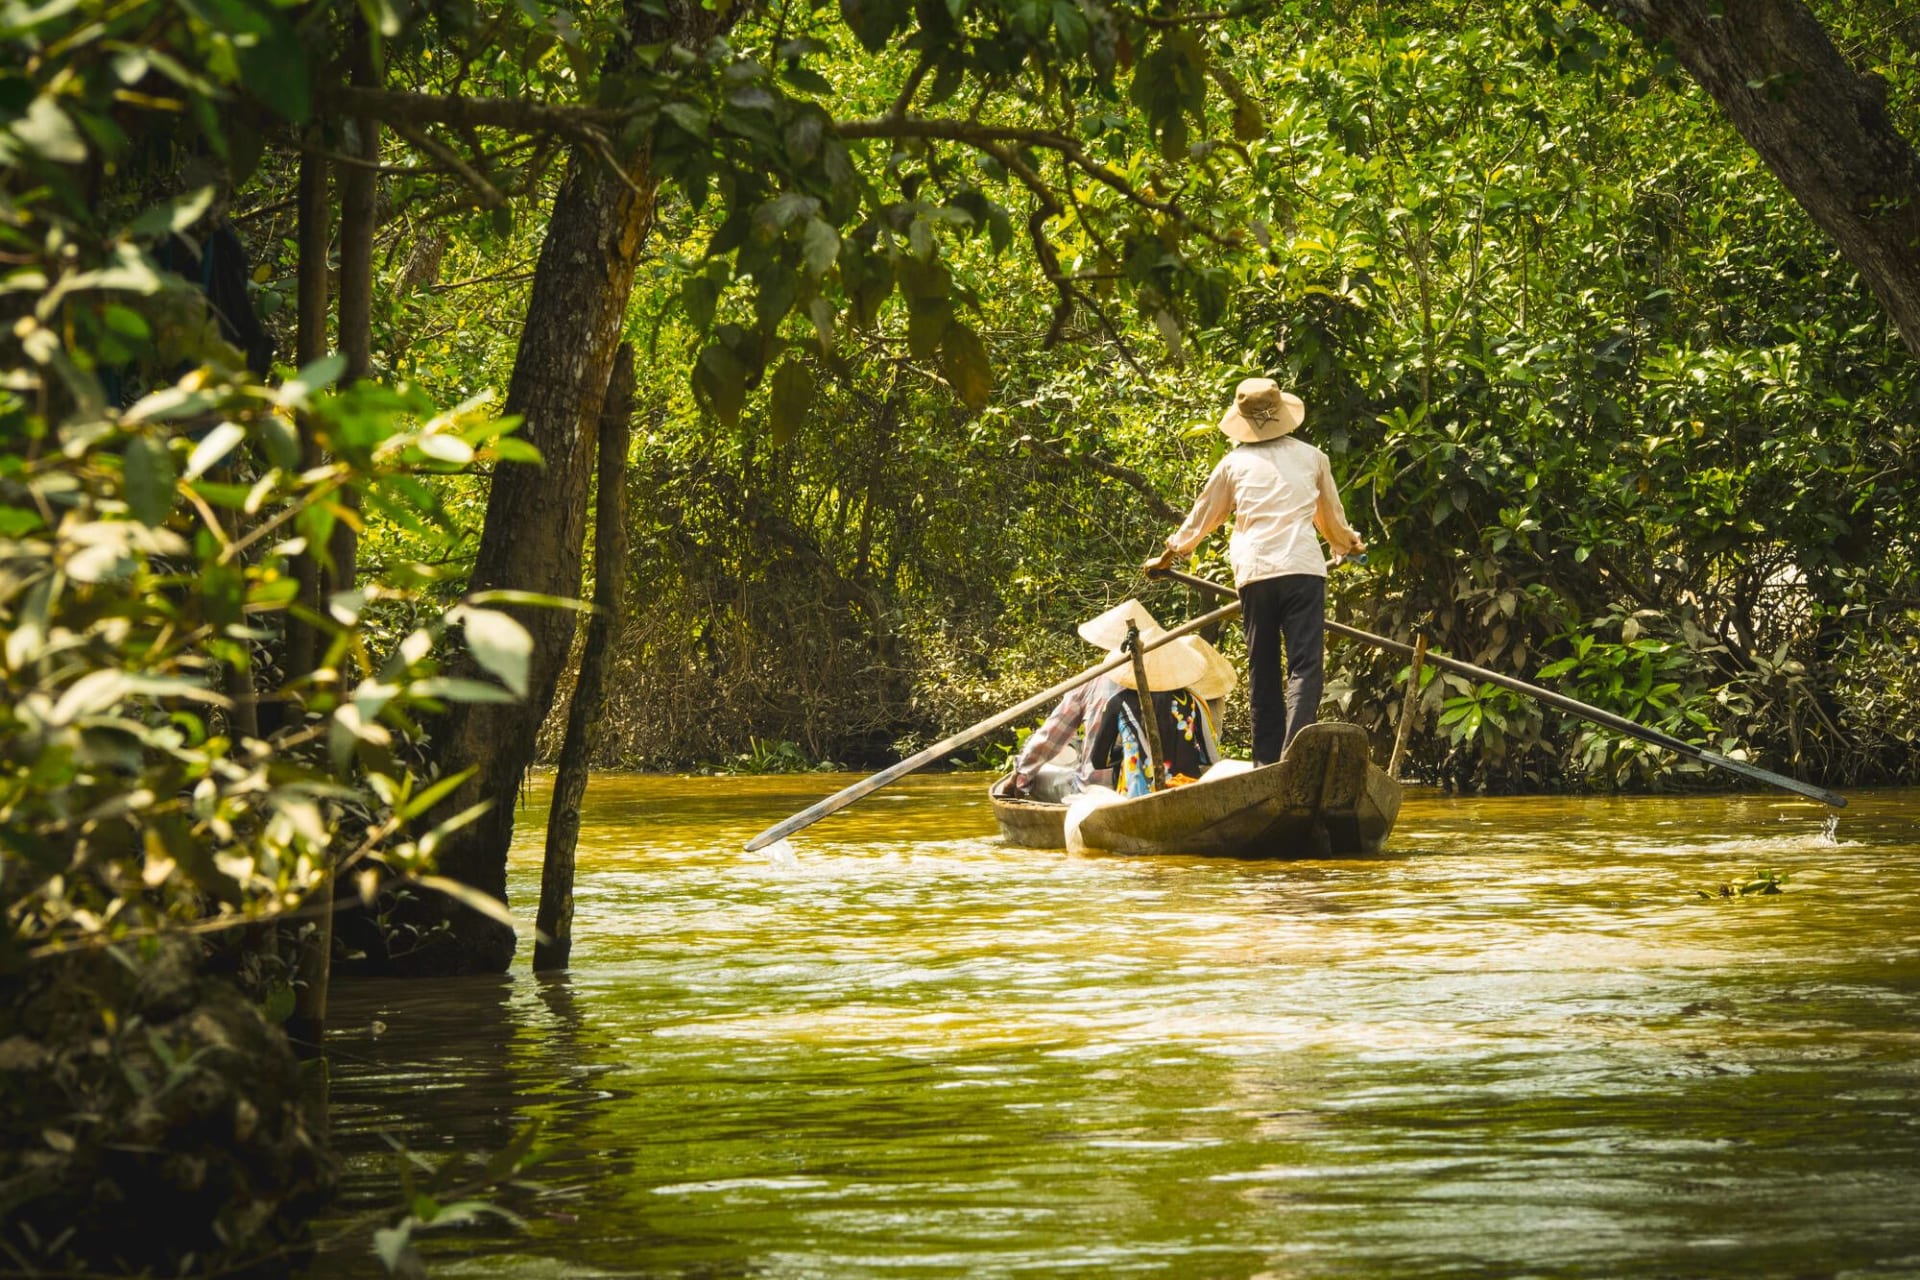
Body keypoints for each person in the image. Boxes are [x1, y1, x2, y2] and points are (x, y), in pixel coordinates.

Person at [1145, 378, 1365, 766]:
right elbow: (1330, 519)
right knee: (1305, 665)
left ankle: (1266, 761)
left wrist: (1170, 554)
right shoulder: (1313, 458)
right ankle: (1295, 756)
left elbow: (1204, 516)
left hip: (1257, 572)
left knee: (1262, 666)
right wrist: (1347, 545)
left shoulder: (1234, 464)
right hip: (1302, 570)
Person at [1006, 599, 1162, 800]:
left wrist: (1019, 774)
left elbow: (1051, 737)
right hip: (1155, 784)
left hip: (1095, 789)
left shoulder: (1092, 681)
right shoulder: (1167, 681)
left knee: (1037, 777)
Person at [1085, 634, 1221, 797]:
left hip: (1136, 796)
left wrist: (1130, 749)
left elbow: (1099, 760)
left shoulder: (1118, 702)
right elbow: (1210, 757)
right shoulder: (1193, 701)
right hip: (1187, 793)